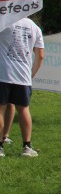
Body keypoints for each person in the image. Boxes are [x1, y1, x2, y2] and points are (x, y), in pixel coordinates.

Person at [0, 17, 45, 157]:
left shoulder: (4, 21)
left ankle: (0, 147)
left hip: (3, 74)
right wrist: (30, 75)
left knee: (0, 109)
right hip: (23, 76)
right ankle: (27, 146)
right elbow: (40, 56)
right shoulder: (34, 27)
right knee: (24, 109)